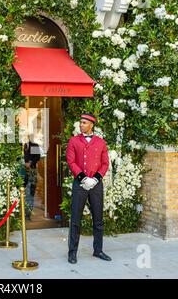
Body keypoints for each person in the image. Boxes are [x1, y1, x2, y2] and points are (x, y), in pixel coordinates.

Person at [66, 113, 111, 264]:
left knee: (98, 219)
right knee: (75, 220)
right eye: (80, 122)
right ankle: (72, 253)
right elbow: (70, 161)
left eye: (84, 123)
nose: (81, 125)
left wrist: (95, 179)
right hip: (80, 184)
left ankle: (98, 250)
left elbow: (105, 163)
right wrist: (83, 178)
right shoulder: (73, 141)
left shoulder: (101, 142)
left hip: (96, 185)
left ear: (92, 125)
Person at [23, 134, 42, 221]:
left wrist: (30, 163)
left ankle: (28, 214)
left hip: (31, 171)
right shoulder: (22, 145)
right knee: (22, 193)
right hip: (22, 172)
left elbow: (37, 157)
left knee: (30, 193)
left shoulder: (34, 145)